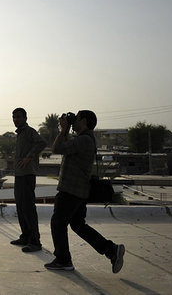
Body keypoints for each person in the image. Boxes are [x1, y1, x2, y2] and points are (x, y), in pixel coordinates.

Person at [45, 110, 125, 273]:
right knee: (78, 225)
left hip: (71, 190)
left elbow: (57, 148)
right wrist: (66, 130)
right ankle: (111, 250)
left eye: (77, 118)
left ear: (84, 121)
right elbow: (66, 147)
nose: (74, 120)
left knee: (58, 223)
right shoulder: (83, 140)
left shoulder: (84, 140)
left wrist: (63, 129)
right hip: (79, 191)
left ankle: (63, 260)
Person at [11, 107, 47, 253]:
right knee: (20, 207)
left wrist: (29, 157)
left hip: (27, 175)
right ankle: (25, 236)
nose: (16, 119)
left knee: (28, 208)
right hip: (19, 175)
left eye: (18, 117)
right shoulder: (20, 134)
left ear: (25, 118)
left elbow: (41, 143)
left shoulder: (29, 131)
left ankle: (35, 241)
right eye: (14, 117)